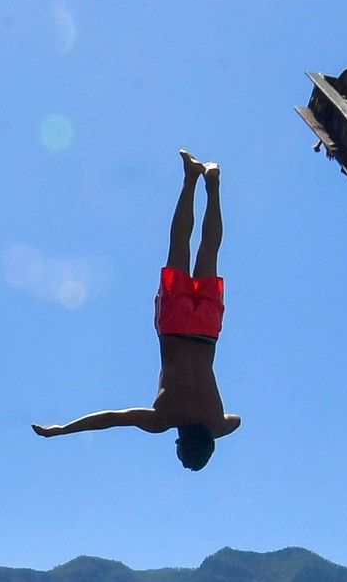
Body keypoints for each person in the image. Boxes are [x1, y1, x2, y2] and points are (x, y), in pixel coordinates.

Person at [32, 151, 241, 471]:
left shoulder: (218, 423)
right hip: (174, 326)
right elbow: (111, 419)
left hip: (206, 330)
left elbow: (235, 421)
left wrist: (214, 429)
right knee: (179, 246)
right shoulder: (163, 418)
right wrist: (61, 430)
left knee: (209, 251)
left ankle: (212, 182)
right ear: (183, 443)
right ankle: (190, 177)